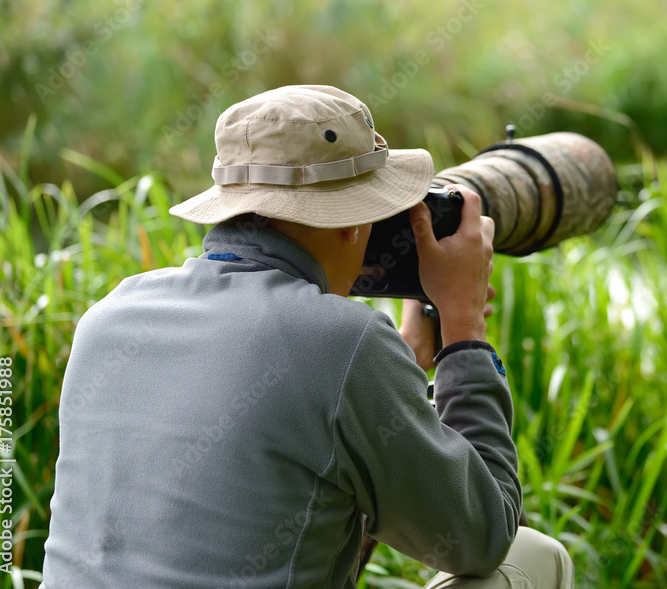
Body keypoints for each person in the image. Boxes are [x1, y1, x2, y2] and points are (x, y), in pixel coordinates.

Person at [40, 85, 574, 588]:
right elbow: (482, 535)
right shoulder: (342, 342)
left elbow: (297, 452)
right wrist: (464, 329)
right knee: (534, 557)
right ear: (349, 221)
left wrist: (406, 357)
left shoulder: (111, 315)